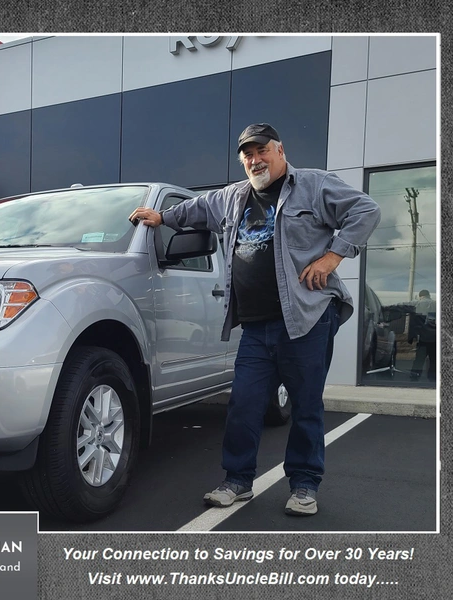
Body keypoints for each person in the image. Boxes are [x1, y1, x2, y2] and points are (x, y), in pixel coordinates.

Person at [129, 123, 381, 516]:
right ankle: (237, 481)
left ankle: (303, 485)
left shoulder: (314, 185)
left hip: (305, 320)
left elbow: (366, 210)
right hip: (256, 325)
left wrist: (333, 256)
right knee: (244, 405)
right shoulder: (231, 197)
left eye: (262, 150)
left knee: (306, 405)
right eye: (247, 154)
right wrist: (160, 217)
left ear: (280, 150)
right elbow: (193, 210)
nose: (255, 159)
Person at [408, 289, 436, 382]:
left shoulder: (416, 305)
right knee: (434, 359)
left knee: (419, 359)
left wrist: (411, 337)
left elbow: (413, 323)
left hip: (422, 337)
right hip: (435, 337)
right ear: (429, 295)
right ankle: (433, 377)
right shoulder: (436, 304)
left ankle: (415, 376)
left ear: (420, 296)